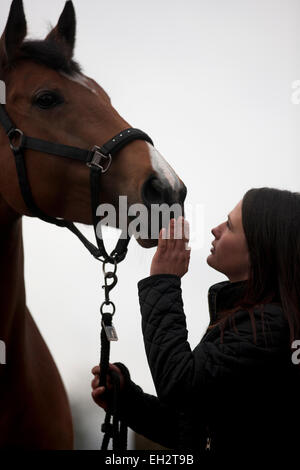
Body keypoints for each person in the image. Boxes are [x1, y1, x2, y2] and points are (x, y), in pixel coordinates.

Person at [91, 188, 300, 459]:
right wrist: (128, 403)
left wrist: (163, 280)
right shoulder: (255, 321)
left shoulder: (271, 326)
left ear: (260, 250)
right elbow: (199, 430)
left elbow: (179, 385)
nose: (216, 229)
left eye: (231, 226)